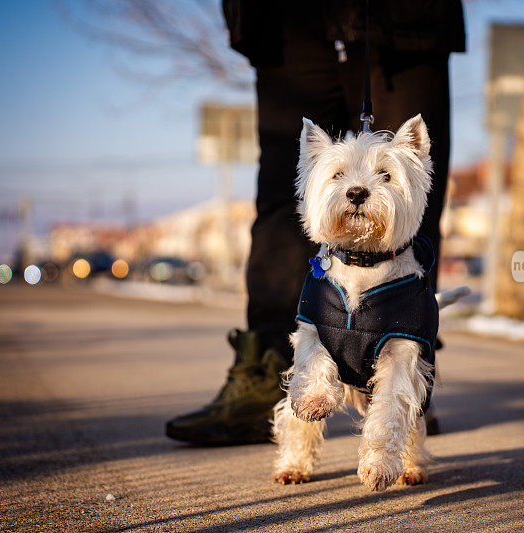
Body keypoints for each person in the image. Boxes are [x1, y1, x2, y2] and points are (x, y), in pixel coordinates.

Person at [166, 0, 467, 446]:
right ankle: (266, 370)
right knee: (280, 206)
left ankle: (405, 380)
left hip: (405, 23)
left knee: (409, 206)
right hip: (287, 22)